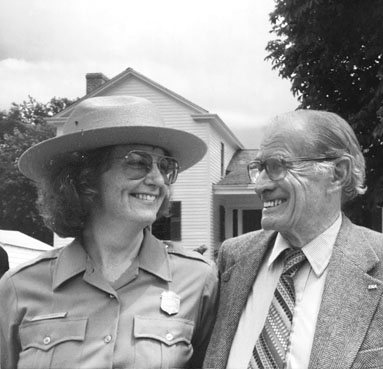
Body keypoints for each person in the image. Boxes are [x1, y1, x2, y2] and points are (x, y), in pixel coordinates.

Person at [203, 110, 383, 369]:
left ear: (337, 173)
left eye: (277, 166)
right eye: (259, 169)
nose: (260, 186)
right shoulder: (234, 258)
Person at [0, 96, 219, 368]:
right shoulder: (19, 287)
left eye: (164, 167)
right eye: (138, 163)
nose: (157, 180)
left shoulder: (198, 281)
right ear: (84, 178)